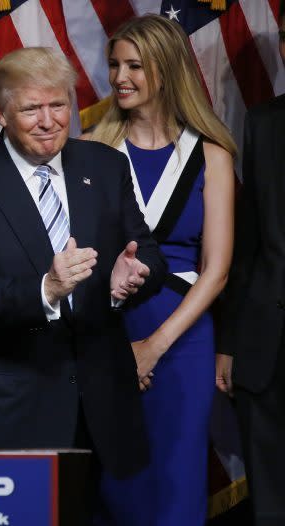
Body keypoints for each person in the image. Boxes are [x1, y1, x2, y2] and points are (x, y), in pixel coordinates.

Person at [0, 46, 166, 495]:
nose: (49, 120)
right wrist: (47, 289)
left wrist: (125, 283)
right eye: (31, 109)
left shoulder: (106, 166)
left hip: (95, 406)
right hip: (6, 410)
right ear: (0, 113)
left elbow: (147, 254)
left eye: (58, 105)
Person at [85, 14, 236, 525]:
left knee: (176, 480)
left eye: (134, 66)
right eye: (114, 65)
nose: (119, 77)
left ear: (166, 70)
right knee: (116, 483)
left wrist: (154, 347)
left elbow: (216, 271)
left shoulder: (212, 157)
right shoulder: (90, 150)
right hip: (106, 332)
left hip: (182, 338)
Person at [219, 5, 285, 524]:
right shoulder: (264, 123)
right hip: (268, 348)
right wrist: (228, 342)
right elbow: (249, 243)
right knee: (269, 503)